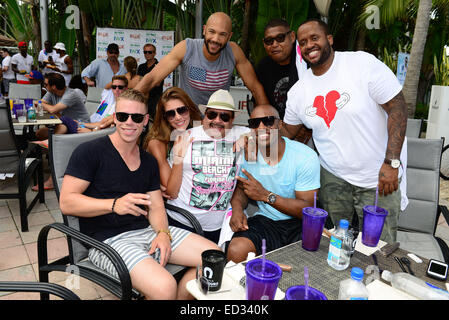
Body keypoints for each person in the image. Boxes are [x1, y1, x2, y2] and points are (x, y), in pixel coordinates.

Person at [59, 88, 219, 300]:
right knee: (165, 287)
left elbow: (156, 206)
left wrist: (163, 233)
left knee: (215, 259)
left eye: (136, 117)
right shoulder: (90, 152)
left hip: (147, 231)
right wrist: (114, 204)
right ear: (115, 118)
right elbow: (67, 202)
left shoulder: (148, 161)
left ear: (145, 121)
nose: (129, 122)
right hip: (108, 242)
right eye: (123, 116)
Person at [282, 19, 408, 244]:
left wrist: (392, 162)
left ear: (329, 40)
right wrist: (251, 135)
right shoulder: (298, 92)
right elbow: (286, 133)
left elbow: (397, 106)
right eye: (303, 42)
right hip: (333, 178)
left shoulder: (361, 64)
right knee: (336, 242)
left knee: (380, 246)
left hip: (377, 176)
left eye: (314, 38)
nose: (309, 45)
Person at [226, 104, 320, 262]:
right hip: (266, 220)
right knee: (236, 250)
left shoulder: (305, 157)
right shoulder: (249, 153)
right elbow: (242, 188)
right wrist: (236, 209)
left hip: (299, 223)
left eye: (268, 121)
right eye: (255, 123)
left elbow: (307, 209)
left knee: (310, 266)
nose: (261, 127)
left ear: (280, 124)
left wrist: (265, 196)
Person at [164, 89, 249, 243]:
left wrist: (248, 137)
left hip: (219, 227)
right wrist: (178, 158)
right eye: (212, 115)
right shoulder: (186, 137)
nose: (217, 120)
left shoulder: (240, 133)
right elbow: (172, 192)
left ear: (233, 119)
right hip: (182, 221)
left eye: (224, 116)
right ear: (205, 115)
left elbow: (270, 132)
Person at [135, 12, 269, 107]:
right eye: (212, 32)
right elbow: (152, 78)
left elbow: (255, 87)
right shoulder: (187, 48)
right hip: (186, 117)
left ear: (229, 36)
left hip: (217, 119)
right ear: (204, 30)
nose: (215, 39)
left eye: (222, 34)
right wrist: (124, 107)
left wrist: (267, 117)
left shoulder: (234, 51)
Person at [255, 18, 312, 145]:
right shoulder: (263, 67)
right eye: (269, 41)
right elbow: (262, 105)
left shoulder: (307, 62)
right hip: (278, 132)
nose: (274, 44)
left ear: (292, 37)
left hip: (310, 130)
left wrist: (308, 128)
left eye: (280, 38)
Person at [144, 87, 202, 195]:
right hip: (172, 206)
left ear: (190, 109)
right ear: (165, 117)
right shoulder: (157, 143)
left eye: (182, 110)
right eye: (171, 114)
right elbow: (171, 191)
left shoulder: (199, 130)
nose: (178, 117)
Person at [137, 43, 163, 118]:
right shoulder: (141, 67)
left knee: (155, 124)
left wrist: (144, 81)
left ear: (155, 53)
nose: (147, 54)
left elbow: (158, 83)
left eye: (150, 52)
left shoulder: (159, 66)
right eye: (145, 52)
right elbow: (138, 82)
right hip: (142, 99)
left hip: (155, 100)